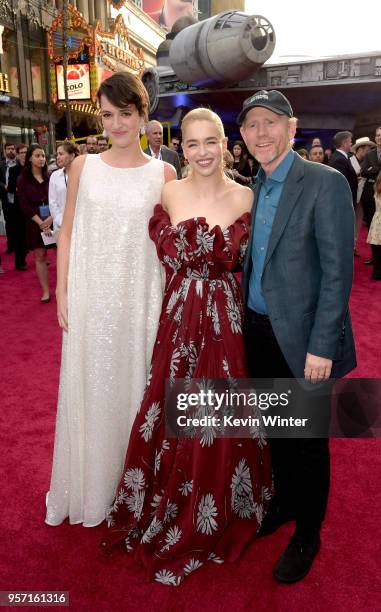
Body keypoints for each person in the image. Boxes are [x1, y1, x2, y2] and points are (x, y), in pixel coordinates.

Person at [101, 107, 272, 585]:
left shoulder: (247, 196)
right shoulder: (169, 191)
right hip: (176, 318)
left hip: (223, 321)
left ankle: (215, 503)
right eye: (192, 143)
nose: (201, 152)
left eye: (210, 142)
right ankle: (166, 500)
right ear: (183, 146)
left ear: (224, 143)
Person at [45, 72, 176, 528]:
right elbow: (66, 234)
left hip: (143, 300)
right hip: (90, 298)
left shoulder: (164, 173)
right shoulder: (84, 166)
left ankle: (136, 491)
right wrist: (62, 291)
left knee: (136, 391)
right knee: (91, 388)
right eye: (107, 115)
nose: (116, 124)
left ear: (143, 115)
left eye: (125, 114)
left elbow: (171, 242)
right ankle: (92, 489)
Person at [238, 90, 356, 584]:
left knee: (308, 442)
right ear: (241, 137)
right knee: (278, 433)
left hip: (307, 341)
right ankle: (285, 503)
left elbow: (337, 272)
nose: (261, 133)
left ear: (292, 126)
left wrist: (321, 347)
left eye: (271, 122)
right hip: (258, 332)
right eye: (251, 125)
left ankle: (308, 533)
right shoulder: (253, 186)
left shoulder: (324, 183)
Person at [17, 145, 51, 302]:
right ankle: (46, 291)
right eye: (38, 155)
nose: (41, 158)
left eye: (43, 156)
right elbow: (24, 205)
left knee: (61, 254)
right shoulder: (22, 180)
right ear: (30, 158)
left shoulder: (50, 176)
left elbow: (59, 200)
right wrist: (41, 223)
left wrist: (51, 220)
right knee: (40, 255)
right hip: (34, 222)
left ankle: (64, 288)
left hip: (54, 220)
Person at [4, 144, 28, 270]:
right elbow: (10, 188)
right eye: (22, 152)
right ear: (18, 155)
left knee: (34, 233)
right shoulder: (14, 170)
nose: (24, 154)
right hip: (17, 207)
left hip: (33, 205)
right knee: (20, 235)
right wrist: (19, 189)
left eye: (26, 152)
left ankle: (40, 257)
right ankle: (20, 261)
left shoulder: (34, 168)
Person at [49, 141, 79, 236]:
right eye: (57, 154)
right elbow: (52, 203)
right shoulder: (55, 175)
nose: (57, 157)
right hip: (60, 225)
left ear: (72, 156)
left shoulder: (82, 174)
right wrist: (62, 222)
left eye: (61, 154)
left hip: (79, 225)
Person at [328, 131, 358, 204]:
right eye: (350, 142)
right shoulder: (339, 159)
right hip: (344, 200)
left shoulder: (342, 157)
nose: (351, 144)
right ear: (344, 143)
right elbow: (341, 183)